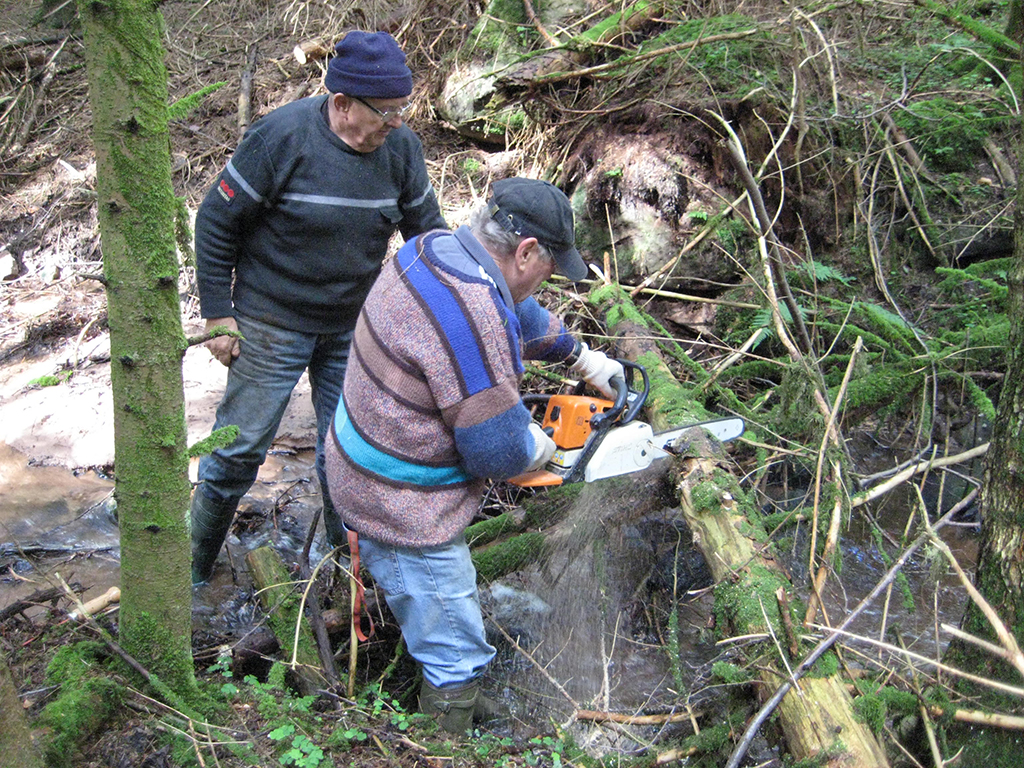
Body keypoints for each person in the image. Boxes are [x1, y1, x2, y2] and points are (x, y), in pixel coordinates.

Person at [324, 177, 625, 732]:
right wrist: (536, 446)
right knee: (454, 636)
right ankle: (447, 732)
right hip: (400, 502)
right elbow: (495, 451)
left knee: (440, 611)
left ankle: (447, 693)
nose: (545, 280)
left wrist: (583, 358)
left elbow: (513, 309)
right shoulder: (472, 316)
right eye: (548, 269)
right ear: (526, 251)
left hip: (361, 456)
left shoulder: (435, 249)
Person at [190, 30, 446, 584]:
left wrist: (459, 301)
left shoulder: (401, 149)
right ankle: (190, 573)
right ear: (342, 103)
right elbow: (215, 222)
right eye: (386, 111)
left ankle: (342, 579)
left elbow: (427, 235)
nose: (396, 122)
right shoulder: (280, 138)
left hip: (351, 326)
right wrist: (217, 313)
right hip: (268, 320)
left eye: (402, 109)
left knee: (347, 454)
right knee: (239, 450)